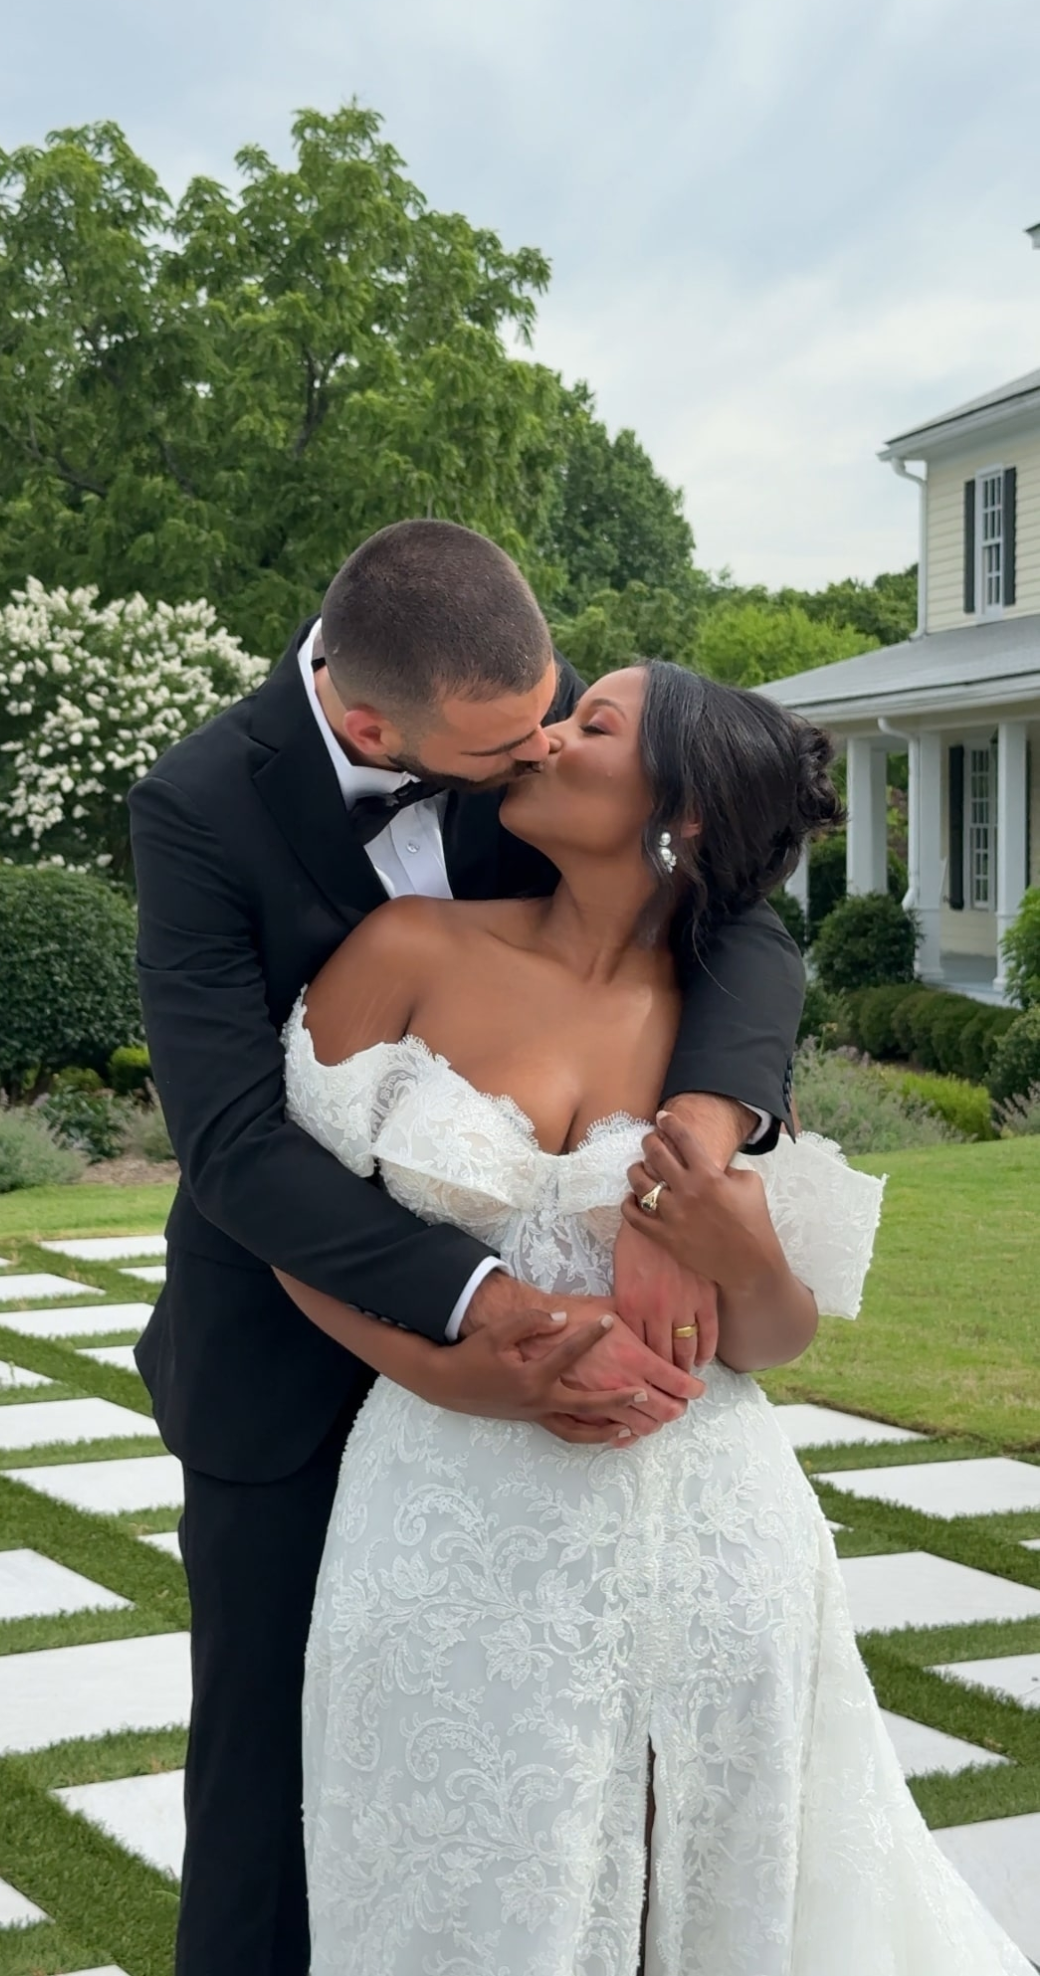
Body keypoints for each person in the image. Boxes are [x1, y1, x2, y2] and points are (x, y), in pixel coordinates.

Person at [277, 660, 1030, 1976]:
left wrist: (739, 1246)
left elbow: (770, 1341)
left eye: (594, 724)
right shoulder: (411, 950)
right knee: (450, 1891)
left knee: (710, 1904)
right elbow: (296, 1231)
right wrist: (445, 1374)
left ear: (678, 813)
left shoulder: (721, 1026)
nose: (546, 735)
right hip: (446, 1518)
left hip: (713, 1530)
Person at [128, 521, 804, 1976]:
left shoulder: (520, 721)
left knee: (555, 1802)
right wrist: (471, 1318)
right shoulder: (198, 804)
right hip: (281, 1357)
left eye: (560, 714)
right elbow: (235, 1145)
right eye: (512, 746)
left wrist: (683, 1160)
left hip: (592, 1442)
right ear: (380, 731)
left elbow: (736, 910)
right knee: (266, 1795)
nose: (543, 747)